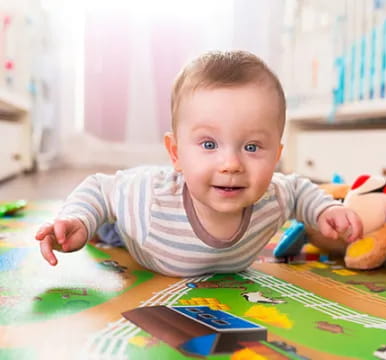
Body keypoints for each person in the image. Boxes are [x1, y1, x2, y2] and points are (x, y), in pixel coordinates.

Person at [35, 50, 363, 277]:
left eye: (251, 146)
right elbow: (101, 189)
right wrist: (78, 219)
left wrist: (324, 211)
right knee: (107, 226)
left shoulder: (273, 197)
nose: (231, 164)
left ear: (277, 157)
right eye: (209, 144)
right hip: (143, 234)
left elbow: (300, 190)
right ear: (175, 153)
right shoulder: (147, 200)